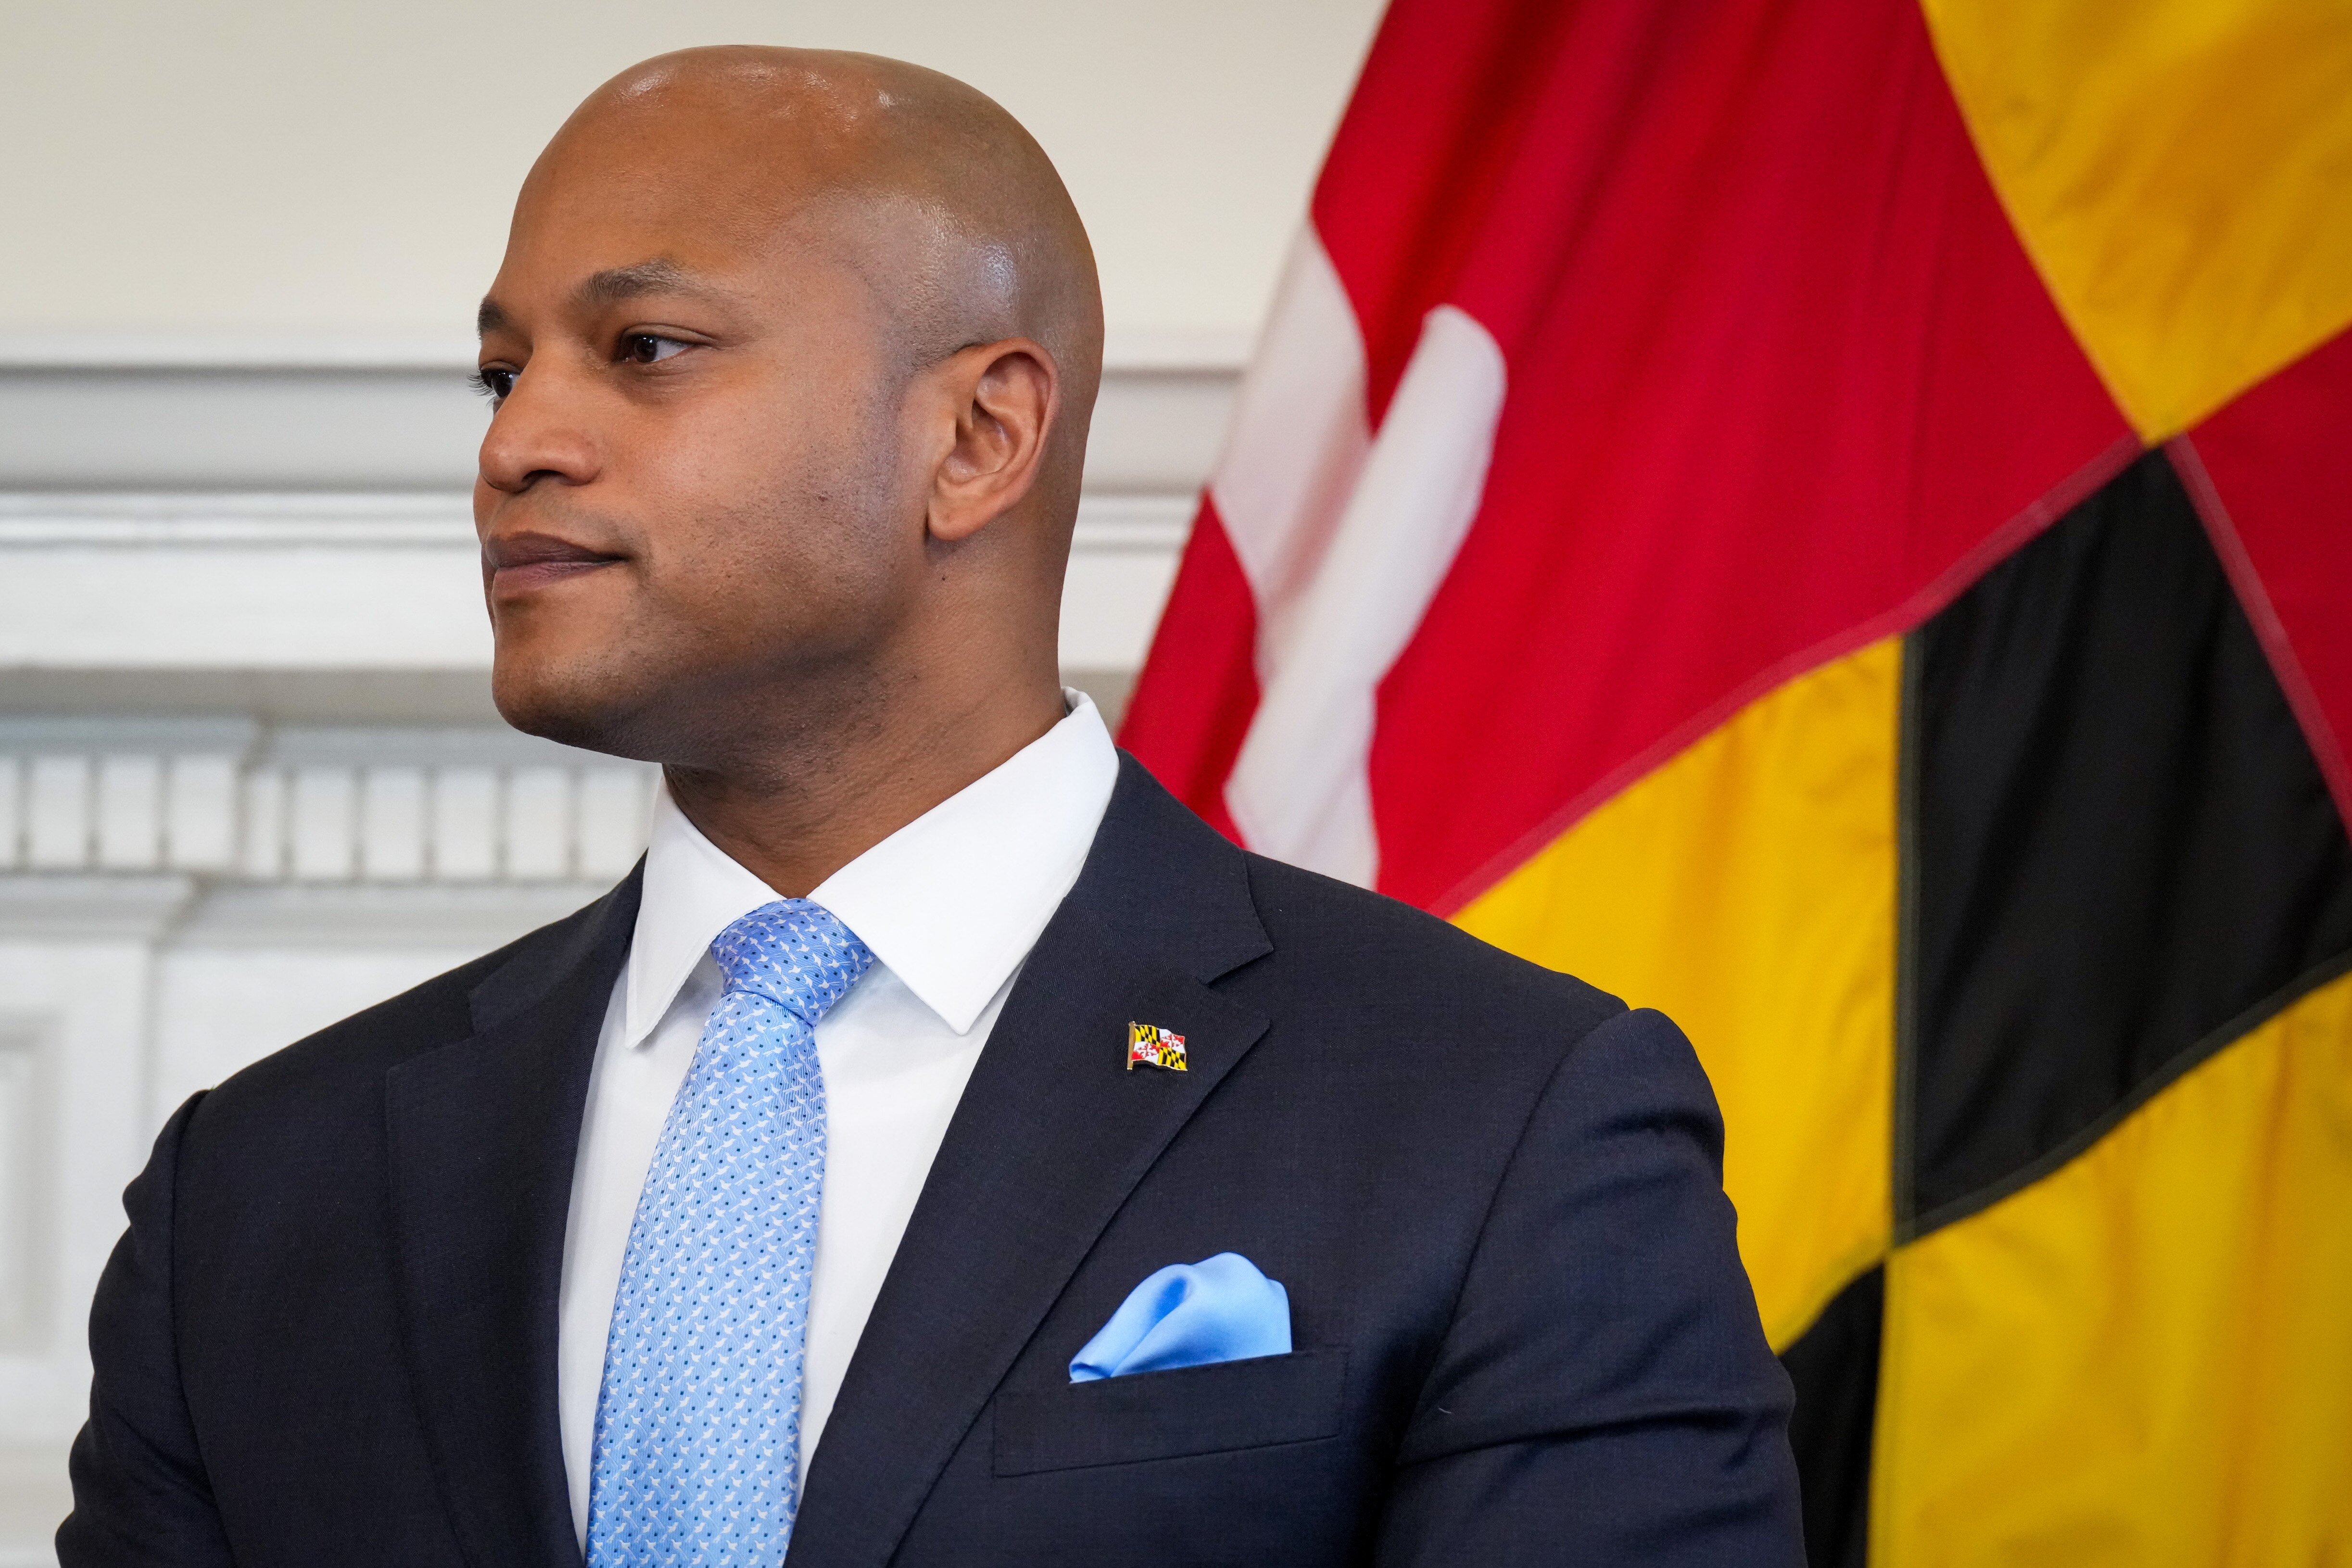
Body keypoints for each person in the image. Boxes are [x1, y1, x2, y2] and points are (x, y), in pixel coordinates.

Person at [59, 47, 1802, 1567]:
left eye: (645, 346)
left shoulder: (1501, 1122)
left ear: (978, 438)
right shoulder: (257, 1192)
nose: (519, 443)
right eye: (503, 371)